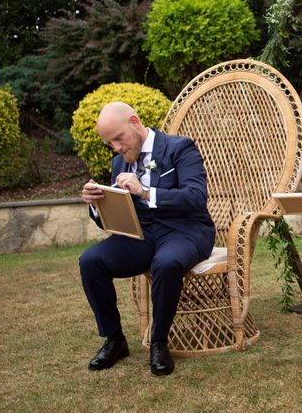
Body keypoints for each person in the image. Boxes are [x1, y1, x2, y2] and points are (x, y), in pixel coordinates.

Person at [79, 102, 215, 376]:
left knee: (165, 263)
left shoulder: (180, 148)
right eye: (110, 143)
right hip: (141, 236)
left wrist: (145, 192)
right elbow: (114, 217)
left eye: (118, 138)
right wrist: (95, 204)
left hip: (186, 230)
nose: (117, 148)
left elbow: (196, 197)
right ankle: (115, 339)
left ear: (134, 121)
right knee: (90, 261)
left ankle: (159, 342)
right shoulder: (119, 161)